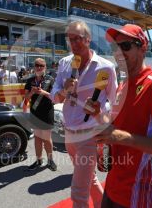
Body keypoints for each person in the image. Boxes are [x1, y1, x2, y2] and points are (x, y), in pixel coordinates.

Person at [85, 24, 152, 208]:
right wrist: (99, 115)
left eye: (125, 46)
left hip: (139, 194)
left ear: (143, 48)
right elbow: (116, 128)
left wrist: (122, 138)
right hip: (113, 185)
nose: (118, 53)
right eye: (115, 47)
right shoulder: (123, 85)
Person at [51, 21, 118, 208]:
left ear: (88, 40)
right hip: (69, 133)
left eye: (78, 39)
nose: (73, 43)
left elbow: (113, 102)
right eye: (69, 39)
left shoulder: (106, 67)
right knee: (91, 180)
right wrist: (64, 90)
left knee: (79, 191)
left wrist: (99, 110)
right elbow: (54, 97)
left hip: (90, 134)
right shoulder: (65, 64)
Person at [25, 58, 57, 171]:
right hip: (35, 112)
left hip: (47, 111)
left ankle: (50, 160)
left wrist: (43, 92)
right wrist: (32, 92)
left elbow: (56, 97)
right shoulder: (29, 81)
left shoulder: (50, 79)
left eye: (41, 65)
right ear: (34, 67)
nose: (39, 67)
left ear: (45, 67)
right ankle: (39, 160)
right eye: (37, 65)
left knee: (47, 138)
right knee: (37, 138)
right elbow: (26, 98)